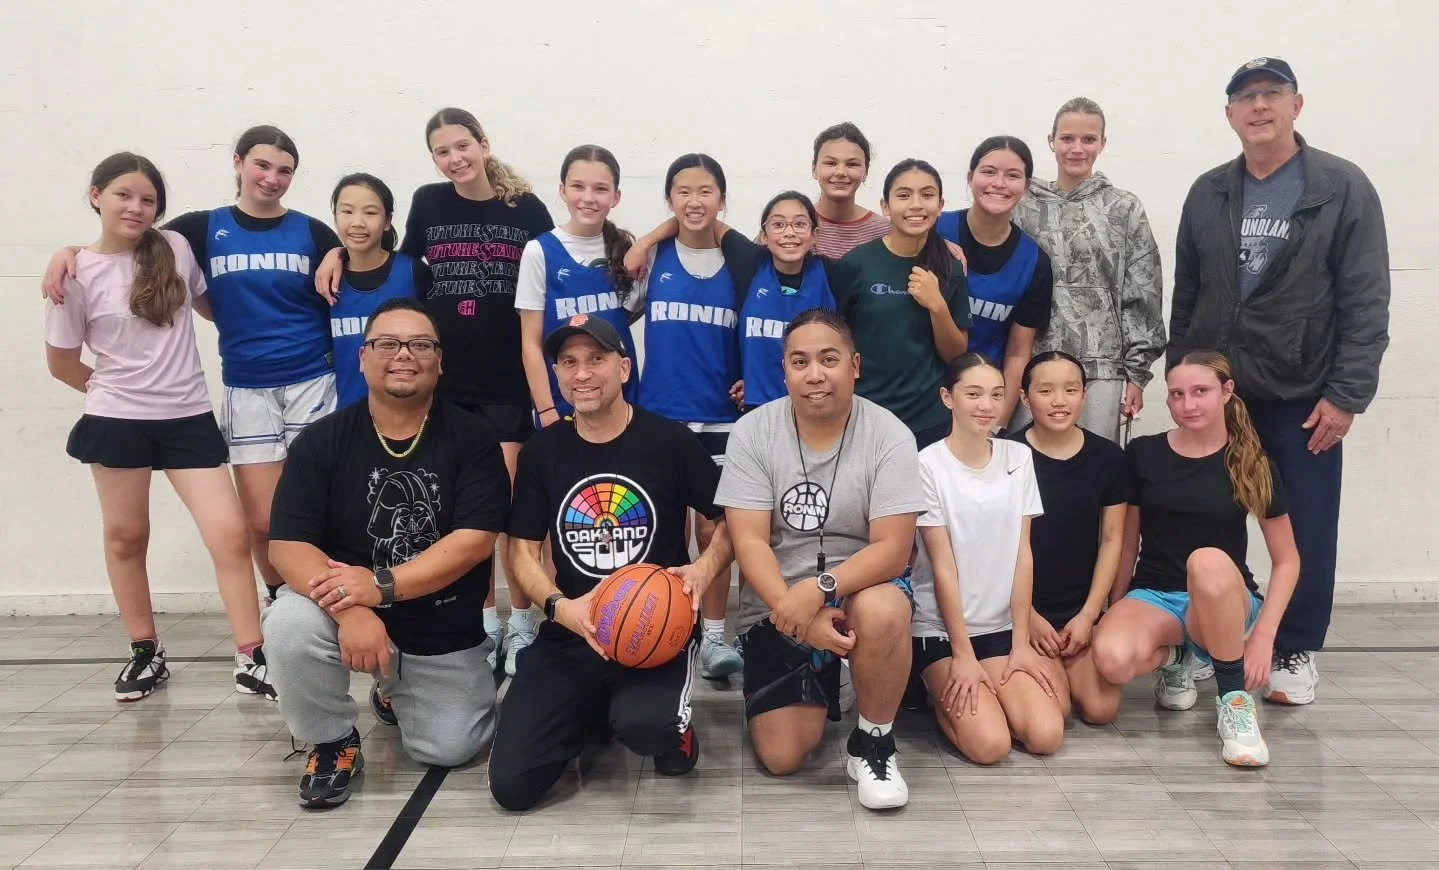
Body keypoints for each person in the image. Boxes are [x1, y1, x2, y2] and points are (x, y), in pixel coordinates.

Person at [42, 126, 344, 611]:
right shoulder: (198, 231)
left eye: (284, 170)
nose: (271, 178)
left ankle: (330, 604)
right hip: (246, 386)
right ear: (239, 162)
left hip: (314, 380)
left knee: (323, 509)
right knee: (262, 520)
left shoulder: (313, 232)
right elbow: (125, 243)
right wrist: (69, 252)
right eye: (262, 165)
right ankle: (282, 602)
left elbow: (354, 271)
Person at [1168, 57, 1391, 705]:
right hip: (1221, 392)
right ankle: (1214, 634)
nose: (1257, 106)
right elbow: (1189, 293)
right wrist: (1184, 378)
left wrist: (1346, 394)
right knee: (1207, 521)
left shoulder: (1339, 187)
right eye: (1244, 97)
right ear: (1229, 114)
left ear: (1296, 105)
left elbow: (1365, 297)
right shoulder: (1209, 190)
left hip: (1303, 391)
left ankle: (1295, 645)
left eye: (1270, 94)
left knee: (1306, 525)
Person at [318, 108, 556, 675]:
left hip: (503, 379)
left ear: (483, 143)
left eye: (462, 146)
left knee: (504, 511)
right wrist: (332, 251)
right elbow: (387, 258)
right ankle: (480, 623)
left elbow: (555, 269)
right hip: (443, 378)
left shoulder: (525, 208)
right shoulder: (428, 202)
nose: (454, 159)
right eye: (442, 151)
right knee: (457, 514)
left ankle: (521, 622)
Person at [43, 152, 274, 702]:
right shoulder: (74, 274)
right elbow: (62, 363)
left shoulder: (173, 248)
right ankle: (146, 650)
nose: (137, 207)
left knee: (230, 534)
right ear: (96, 195)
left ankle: (251, 654)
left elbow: (213, 307)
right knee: (128, 536)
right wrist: (112, 393)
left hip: (187, 418)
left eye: (148, 199)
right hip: (117, 421)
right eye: (124, 194)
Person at [263, 298, 512, 808]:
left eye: (420, 345)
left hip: (440, 625)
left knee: (450, 748)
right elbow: (286, 544)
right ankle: (332, 739)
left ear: (440, 360)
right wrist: (353, 607)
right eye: (388, 343)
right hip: (344, 608)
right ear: (362, 357)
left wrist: (383, 586)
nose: (404, 355)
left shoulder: (474, 439)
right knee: (287, 623)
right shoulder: (323, 440)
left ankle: (391, 687)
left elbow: (475, 540)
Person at [488, 314, 733, 811]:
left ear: (623, 368)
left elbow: (730, 523)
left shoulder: (670, 441)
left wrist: (703, 569)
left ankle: (660, 723)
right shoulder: (542, 453)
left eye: (596, 360)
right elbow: (521, 549)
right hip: (574, 630)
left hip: (654, 630)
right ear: (556, 374)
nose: (582, 373)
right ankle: (594, 707)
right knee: (512, 787)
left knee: (651, 733)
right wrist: (560, 608)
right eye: (569, 362)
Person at [717, 308, 923, 810]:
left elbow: (894, 549)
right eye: (800, 361)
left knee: (884, 609)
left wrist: (820, 588)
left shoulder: (890, 433)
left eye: (829, 359)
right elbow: (749, 542)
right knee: (783, 756)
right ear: (784, 370)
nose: (815, 374)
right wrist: (795, 612)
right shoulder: (752, 432)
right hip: (780, 602)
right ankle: (836, 677)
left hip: (857, 590)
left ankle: (873, 742)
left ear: (854, 366)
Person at [1083, 351, 1300, 767]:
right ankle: (1181, 659)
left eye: (1200, 392)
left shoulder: (1253, 462)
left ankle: (1234, 703)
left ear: (1226, 392)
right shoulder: (1144, 454)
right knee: (1111, 659)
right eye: (1177, 395)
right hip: (1157, 595)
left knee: (1206, 561)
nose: (1188, 404)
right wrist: (1114, 607)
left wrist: (1263, 637)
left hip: (1223, 596)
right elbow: (1126, 545)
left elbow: (1287, 561)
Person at [619, 153, 746, 680]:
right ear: (669, 200)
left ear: (722, 198)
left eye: (706, 192)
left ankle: (714, 636)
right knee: (657, 525)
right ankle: (651, 622)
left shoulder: (743, 265)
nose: (695, 202)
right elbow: (618, 313)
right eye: (683, 193)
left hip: (724, 417)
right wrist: (648, 239)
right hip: (661, 415)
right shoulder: (655, 260)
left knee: (716, 524)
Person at [908, 353, 1065, 764]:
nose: (986, 405)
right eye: (973, 394)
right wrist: (962, 654)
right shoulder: (927, 465)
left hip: (1000, 628)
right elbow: (942, 566)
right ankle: (929, 689)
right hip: (942, 631)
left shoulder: (1017, 458)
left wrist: (1021, 644)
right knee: (990, 746)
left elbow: (1022, 552)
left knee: (1046, 735)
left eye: (996, 395)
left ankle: (993, 690)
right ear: (948, 398)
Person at [1012, 97, 1166, 443]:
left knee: (1094, 471)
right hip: (1032, 365)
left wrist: (1137, 373)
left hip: (1103, 371)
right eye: (1067, 138)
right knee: (1026, 470)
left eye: (1088, 139)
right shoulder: (1022, 205)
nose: (1077, 148)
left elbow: (1143, 292)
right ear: (1051, 141)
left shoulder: (1124, 208)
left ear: (1102, 143)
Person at [1005, 352, 1131, 724]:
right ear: (1026, 398)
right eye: (1046, 390)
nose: (1059, 401)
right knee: (1055, 710)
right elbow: (992, 547)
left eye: (1070, 390)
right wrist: (1027, 616)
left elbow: (1112, 541)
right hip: (1023, 609)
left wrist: (1089, 615)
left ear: (1083, 396)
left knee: (1100, 711)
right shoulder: (1008, 456)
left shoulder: (1109, 458)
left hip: (1078, 610)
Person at [832, 159, 971, 449]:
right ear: (886, 206)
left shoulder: (950, 267)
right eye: (904, 195)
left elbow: (956, 354)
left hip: (929, 419)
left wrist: (938, 307)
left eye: (927, 195)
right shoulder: (856, 264)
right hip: (865, 415)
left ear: (941, 204)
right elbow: (834, 341)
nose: (916, 205)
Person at [516, 145, 642, 423]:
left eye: (600, 189)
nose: (588, 198)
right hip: (562, 404)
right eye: (578, 186)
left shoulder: (625, 250)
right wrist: (547, 410)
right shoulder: (540, 251)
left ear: (616, 196)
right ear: (562, 190)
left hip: (621, 400)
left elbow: (627, 316)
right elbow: (531, 343)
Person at [936, 136, 1055, 430]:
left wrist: (997, 425)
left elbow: (1017, 353)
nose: (999, 183)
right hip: (920, 391)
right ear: (970, 177)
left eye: (1012, 175)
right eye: (988, 172)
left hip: (982, 402)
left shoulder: (1033, 262)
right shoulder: (934, 230)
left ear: (1026, 187)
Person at [327, 173, 430, 408]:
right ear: (335, 217)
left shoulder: (413, 273)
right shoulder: (326, 279)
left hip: (411, 409)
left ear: (387, 221)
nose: (358, 222)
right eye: (347, 211)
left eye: (370, 213)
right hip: (346, 413)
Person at [807, 123, 892, 259]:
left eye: (852, 164)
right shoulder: (794, 225)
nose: (840, 172)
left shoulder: (883, 231)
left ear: (865, 172)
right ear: (814, 169)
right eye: (831, 163)